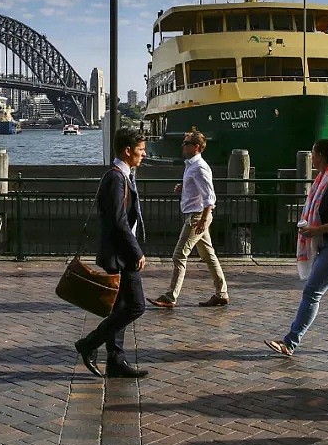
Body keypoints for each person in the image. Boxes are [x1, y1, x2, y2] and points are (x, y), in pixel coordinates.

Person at [264, 139, 328, 355]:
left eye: (313, 154)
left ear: (320, 156)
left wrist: (315, 230)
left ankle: (290, 342)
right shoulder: (324, 179)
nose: (311, 158)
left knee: (312, 292)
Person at [74, 127, 150, 379]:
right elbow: (118, 220)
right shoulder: (116, 178)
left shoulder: (123, 175)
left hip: (121, 252)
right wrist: (136, 251)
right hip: (122, 255)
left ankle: (116, 360)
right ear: (127, 151)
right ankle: (89, 343)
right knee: (136, 306)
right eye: (140, 150)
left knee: (122, 306)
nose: (144, 154)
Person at [147, 131, 229, 309]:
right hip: (196, 214)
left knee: (179, 255)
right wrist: (183, 188)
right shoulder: (191, 166)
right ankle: (221, 293)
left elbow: (210, 197)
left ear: (196, 147)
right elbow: (198, 189)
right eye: (184, 142)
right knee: (209, 255)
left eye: (186, 143)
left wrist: (203, 220)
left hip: (197, 216)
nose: (182, 145)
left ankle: (171, 296)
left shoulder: (199, 167)